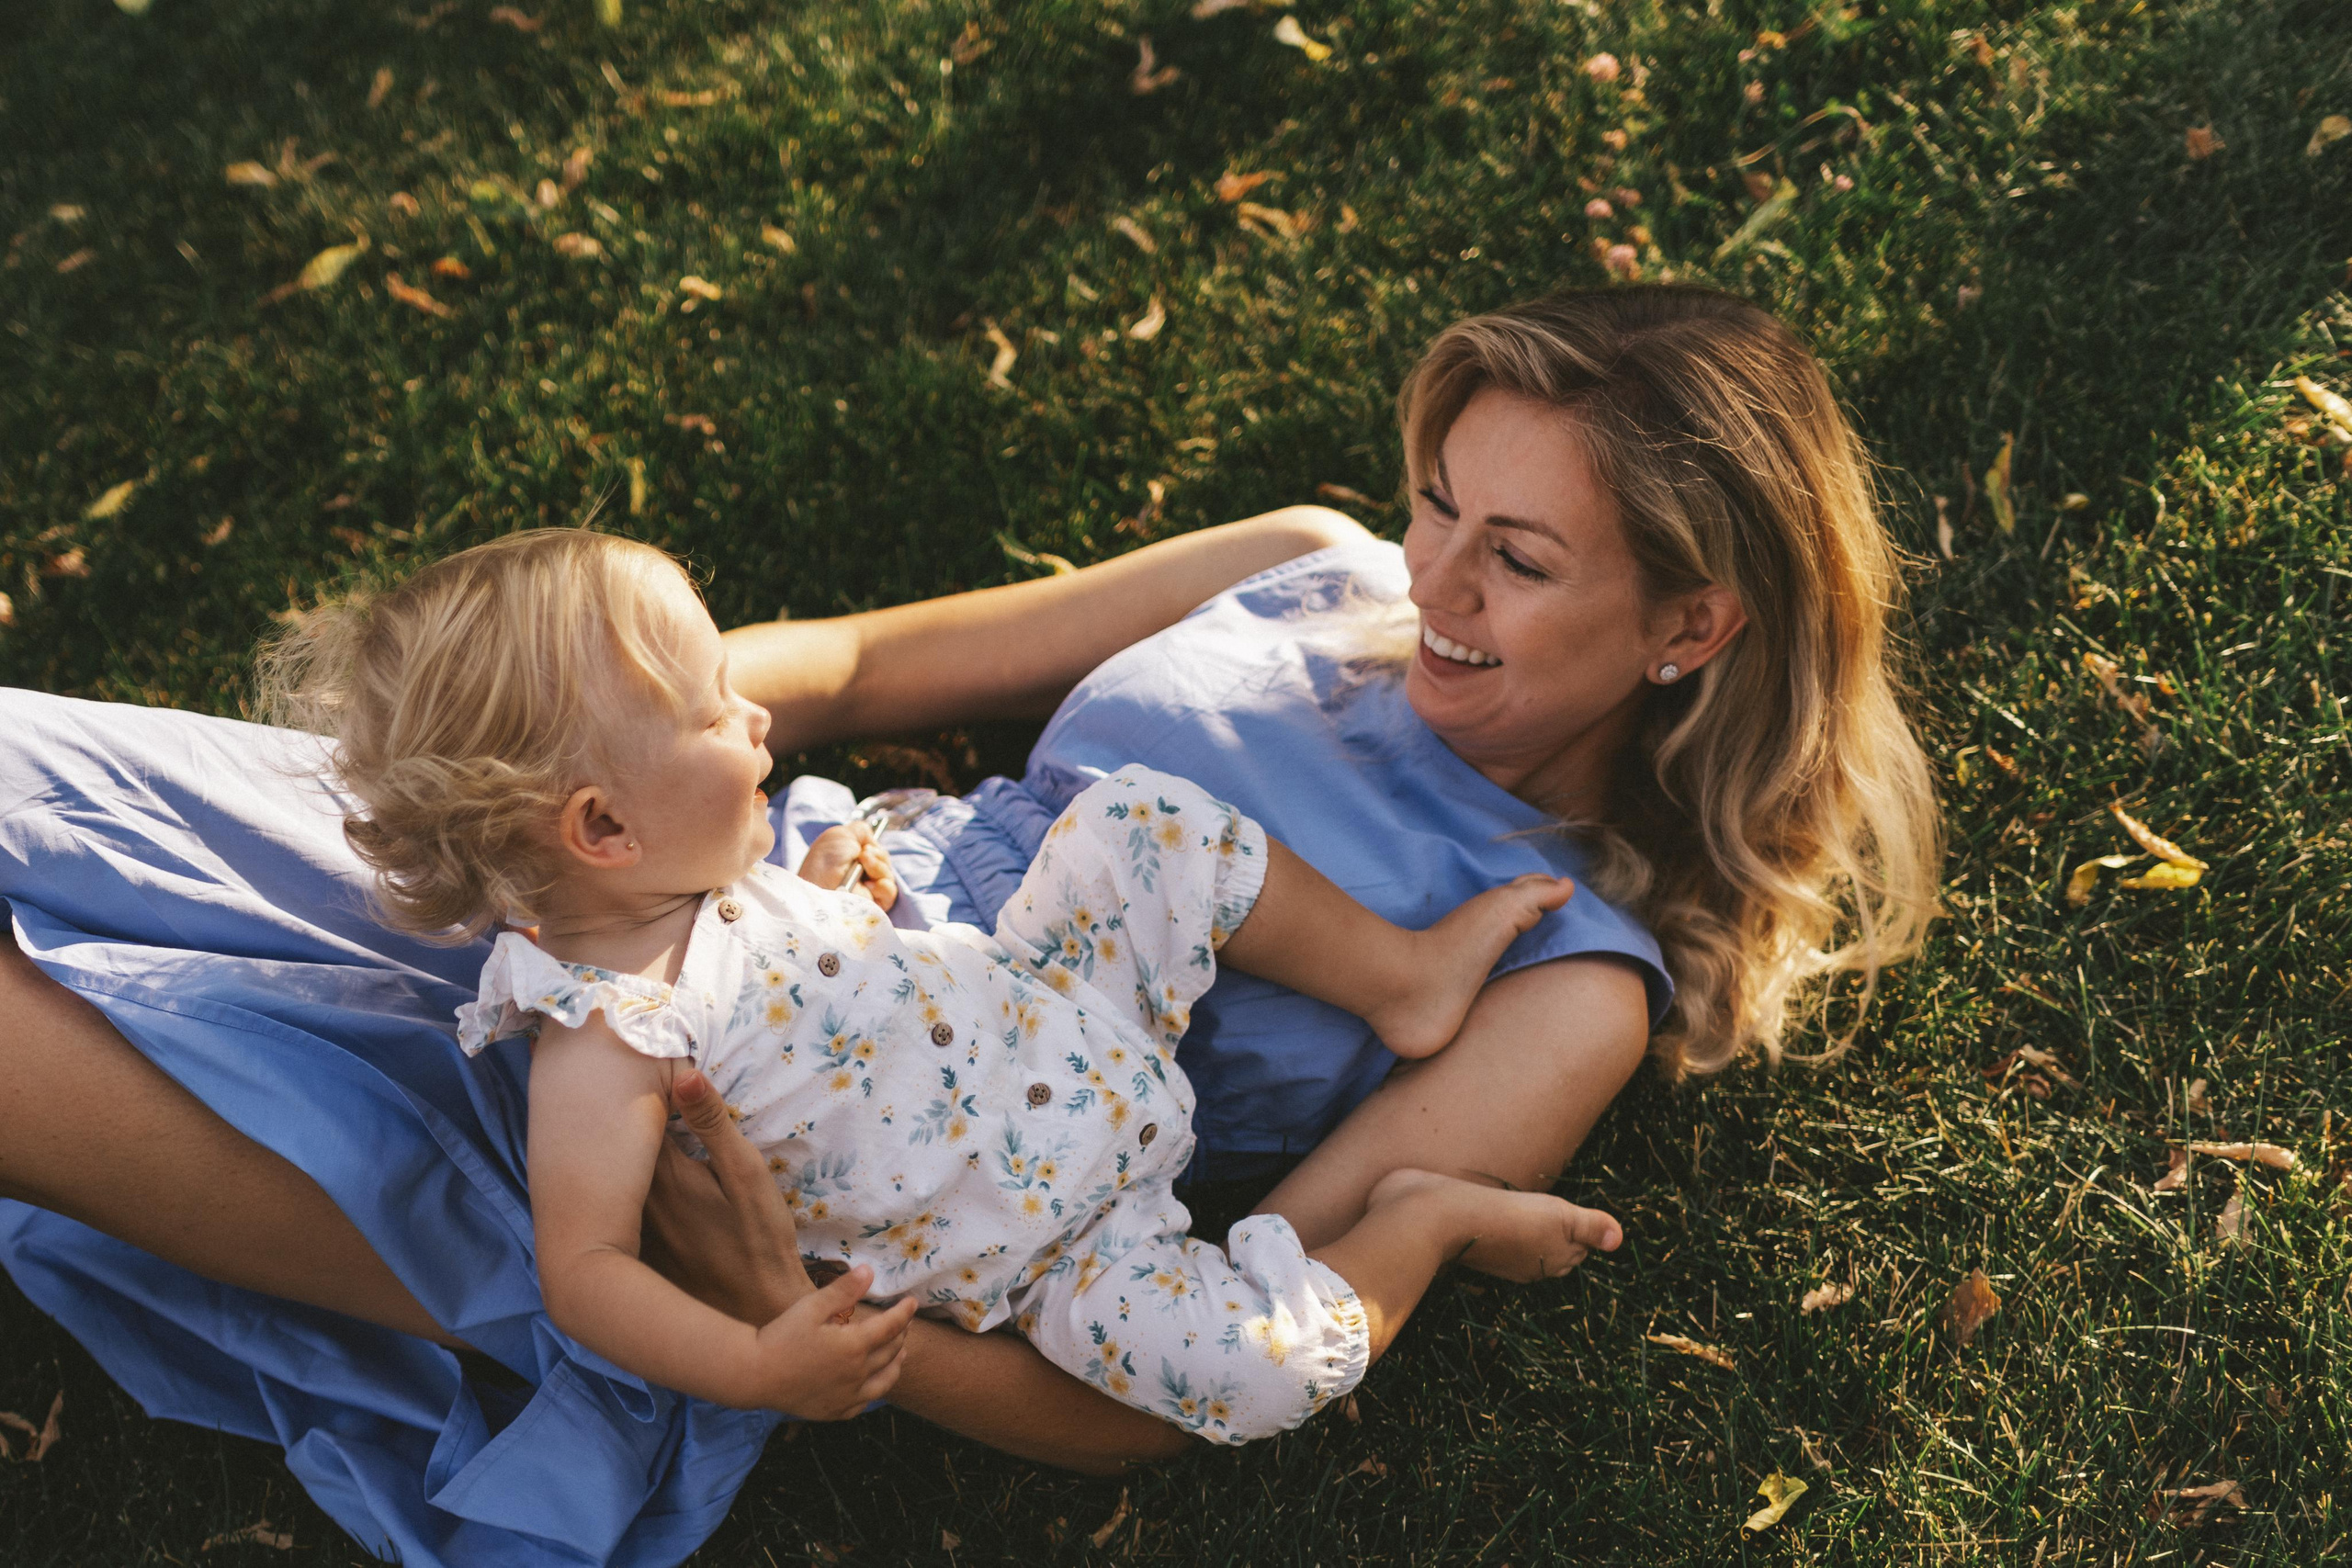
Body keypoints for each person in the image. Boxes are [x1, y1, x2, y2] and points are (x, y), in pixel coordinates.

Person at [0, 285, 1941, 1567]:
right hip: (683, 872)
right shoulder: (1301, 567)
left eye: (1516, 560)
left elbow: (1149, 1385)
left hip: (772, 1173)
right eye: (1438, 500)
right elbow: (856, 660)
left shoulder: (1560, 975)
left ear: (1691, 627)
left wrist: (779, 1308)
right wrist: (542, 755)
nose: (1428, 577)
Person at [264, 525, 1607, 1444]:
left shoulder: (703, 881)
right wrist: (757, 1357)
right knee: (1244, 1376)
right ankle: (1420, 1225)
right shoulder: (610, 1042)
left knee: (1142, 824)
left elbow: (833, 993)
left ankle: (1405, 979)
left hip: (1062, 996)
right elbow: (588, 1269)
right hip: (1058, 1249)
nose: (757, 721)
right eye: (714, 709)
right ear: (602, 831)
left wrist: (850, 890)